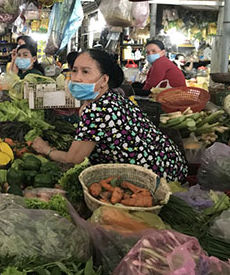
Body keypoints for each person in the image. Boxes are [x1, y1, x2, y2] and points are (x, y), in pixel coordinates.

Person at [32, 49, 188, 182]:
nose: (77, 77)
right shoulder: (113, 97)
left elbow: (73, 159)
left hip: (157, 179)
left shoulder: (96, 111)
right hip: (172, 165)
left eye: (85, 72)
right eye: (74, 70)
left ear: (104, 80)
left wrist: (46, 149)